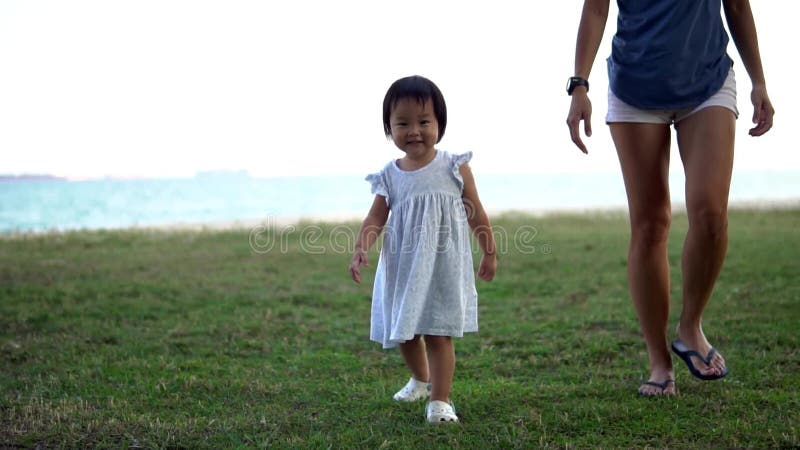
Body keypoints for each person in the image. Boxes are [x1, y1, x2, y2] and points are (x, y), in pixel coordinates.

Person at [566, 0, 774, 396]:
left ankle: (690, 327)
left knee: (711, 214)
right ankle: (659, 362)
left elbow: (737, 6)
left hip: (708, 80)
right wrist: (579, 85)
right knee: (650, 224)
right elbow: (595, 9)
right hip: (634, 86)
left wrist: (758, 80)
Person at [350, 75, 497, 423]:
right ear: (389, 128)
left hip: (443, 264)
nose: (414, 130)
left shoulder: (453, 166)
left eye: (424, 122)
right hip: (402, 264)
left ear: (440, 124)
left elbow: (475, 209)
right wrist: (360, 247)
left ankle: (440, 400)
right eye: (402, 123)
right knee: (404, 330)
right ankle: (420, 378)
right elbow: (375, 217)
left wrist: (489, 250)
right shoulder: (390, 174)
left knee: (438, 331)